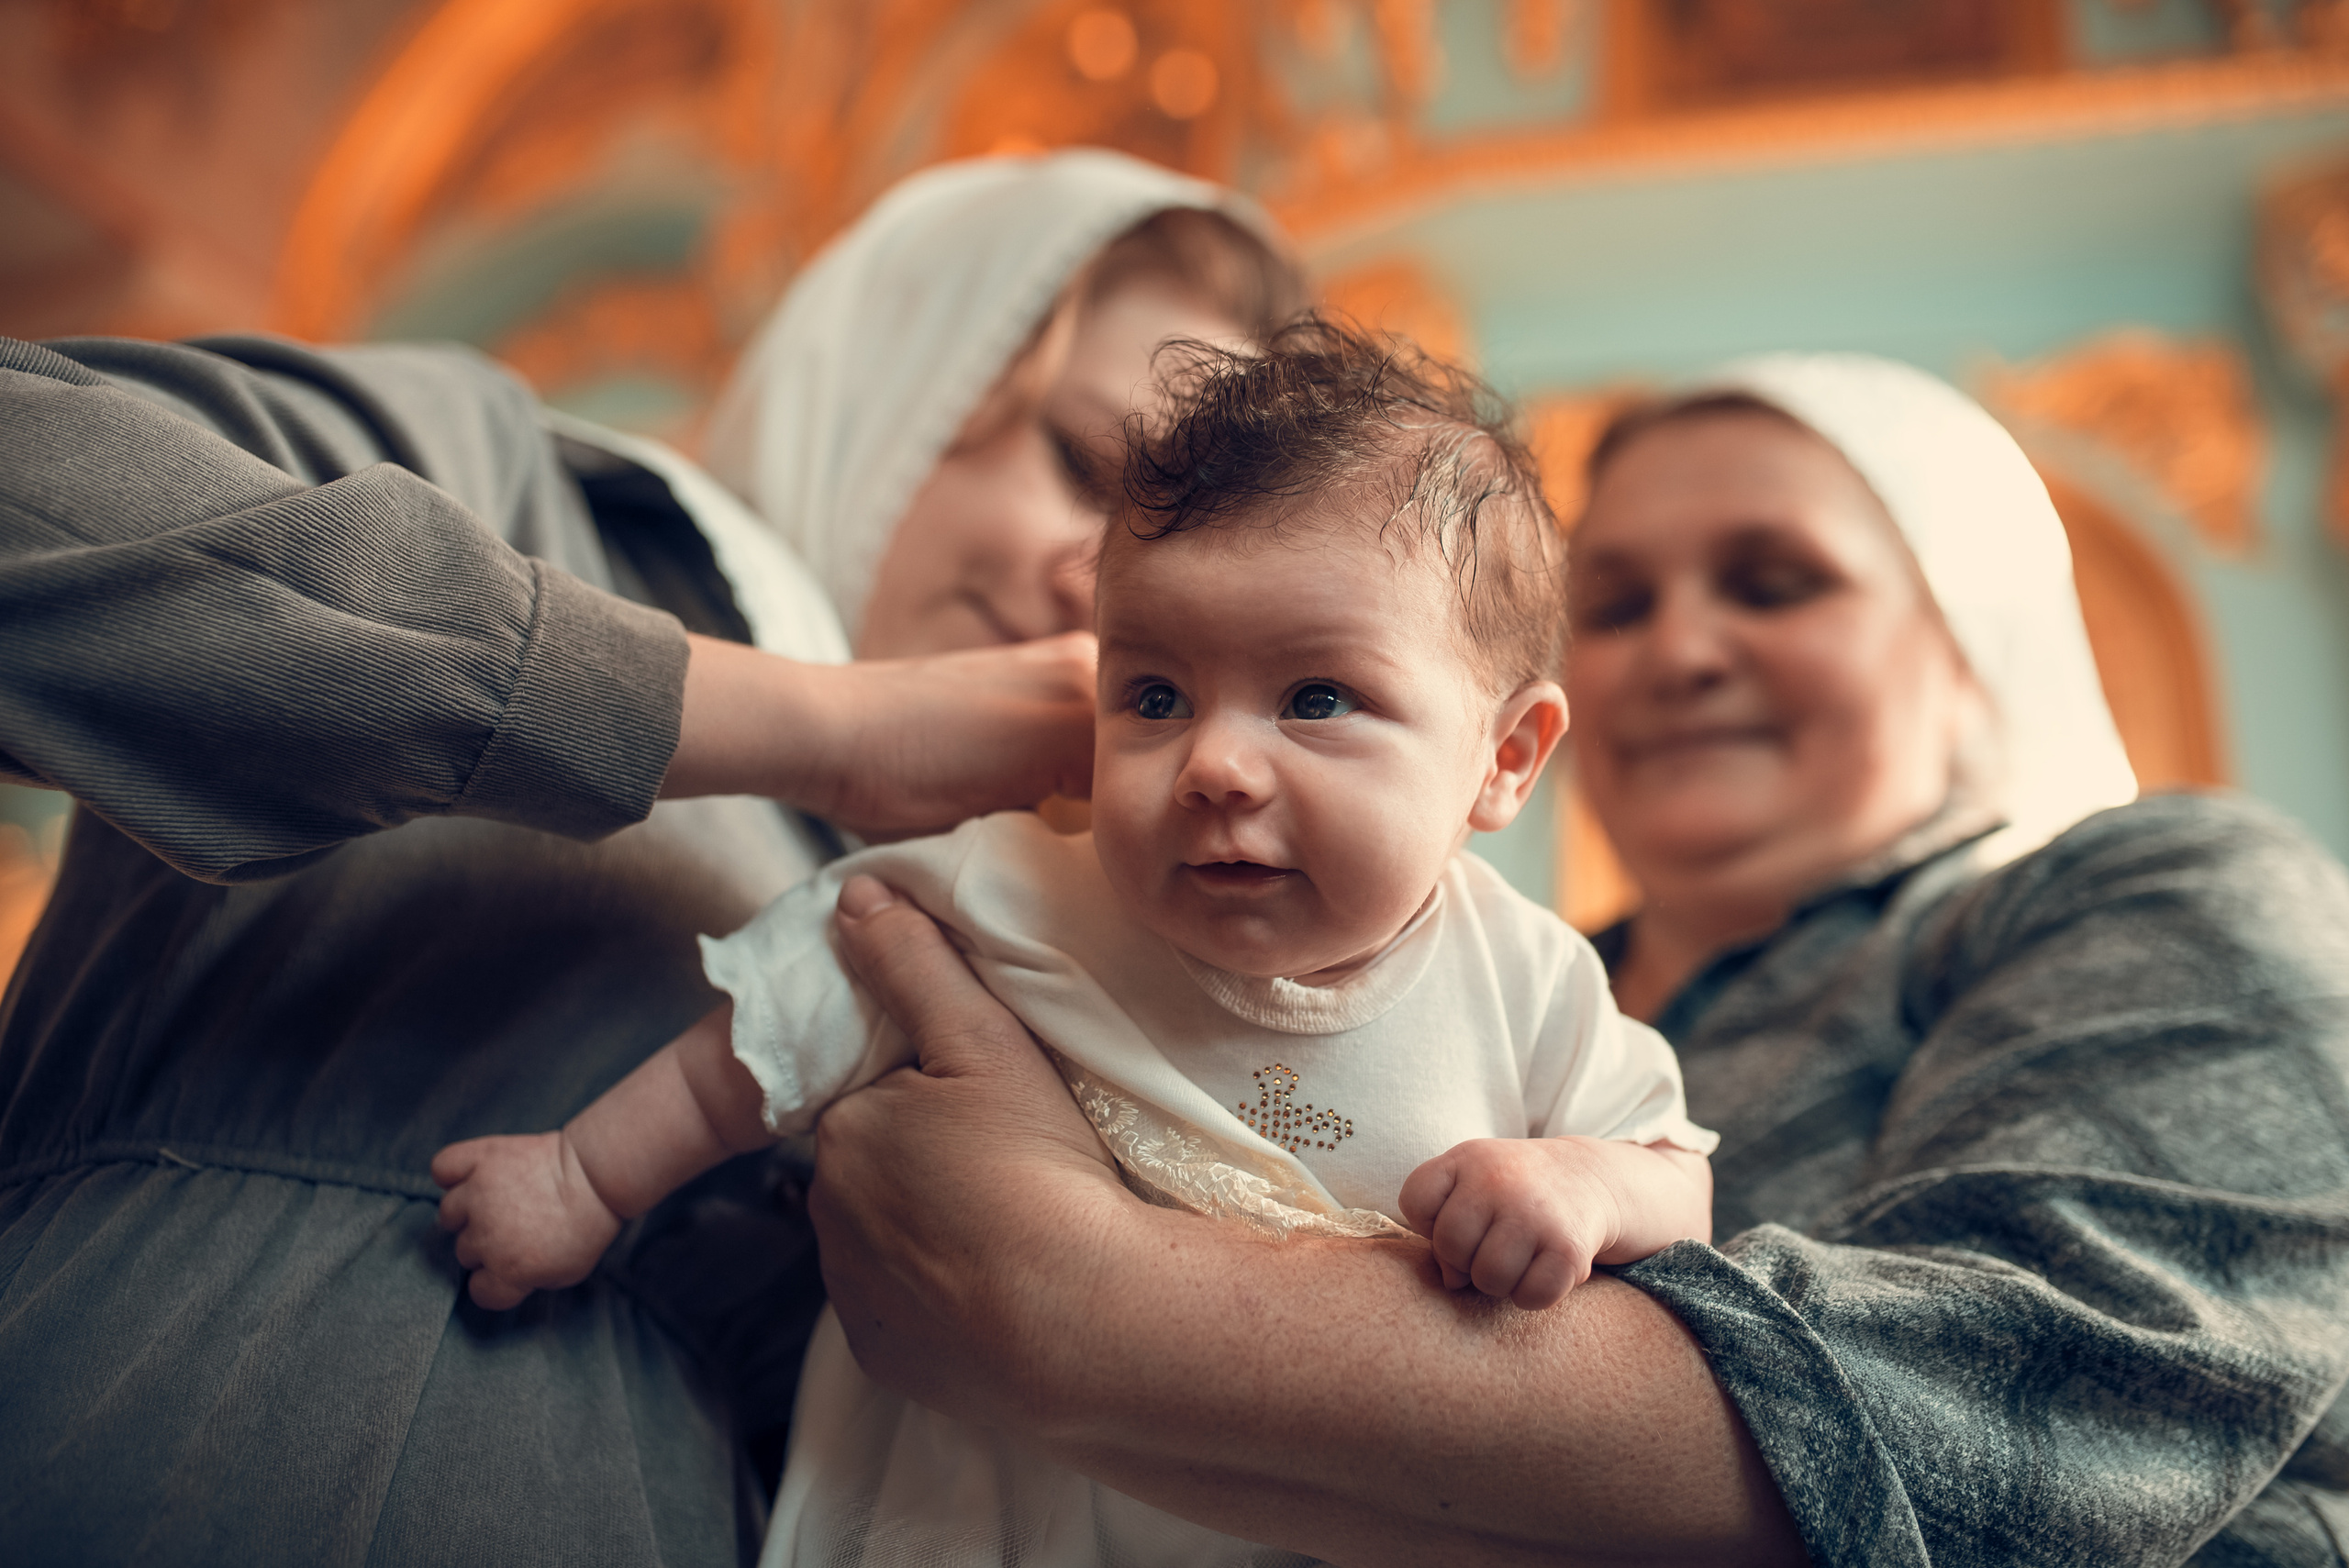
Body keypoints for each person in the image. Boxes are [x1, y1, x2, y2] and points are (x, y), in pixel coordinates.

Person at [796, 352, 2349, 1566]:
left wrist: (1082, 1299)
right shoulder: (1389, 969)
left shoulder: (2157, 884)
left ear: (1968, 635)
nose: (1672, 649)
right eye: (1612, 601)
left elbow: (2053, 1409)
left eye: (1772, 579)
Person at [0, 149, 1303, 1566]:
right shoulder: (515, 478)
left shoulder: (1032, 939)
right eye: (1084, 465)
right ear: (915, 362)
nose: (1099, 581)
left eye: (1165, 547)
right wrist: (824, 723)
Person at [431, 321, 1716, 1566]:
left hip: (1330, 1505)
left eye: (1317, 697)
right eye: (1153, 695)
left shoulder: (1531, 978)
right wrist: (585, 1178)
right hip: (978, 1501)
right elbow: (780, 1022)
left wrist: (1584, 1190)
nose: (1213, 762)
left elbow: (1675, 1171)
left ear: (1503, 758)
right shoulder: (1015, 894)